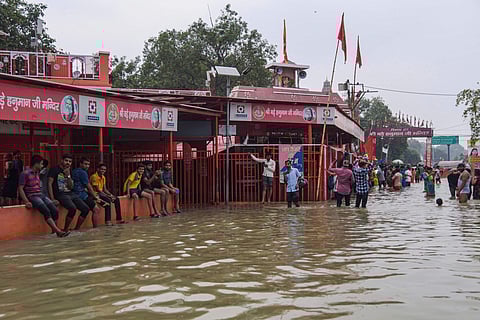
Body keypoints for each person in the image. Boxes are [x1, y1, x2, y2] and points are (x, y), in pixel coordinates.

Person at [18, 156, 69, 238]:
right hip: (32, 196)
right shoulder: (25, 173)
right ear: (36, 163)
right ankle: (58, 231)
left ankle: (54, 232)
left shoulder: (37, 173)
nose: (42, 166)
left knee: (55, 210)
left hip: (41, 195)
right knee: (46, 211)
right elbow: (20, 188)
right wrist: (26, 201)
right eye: (41, 164)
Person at [48, 154, 91, 232]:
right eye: (66, 160)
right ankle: (65, 229)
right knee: (72, 208)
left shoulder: (70, 171)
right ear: (62, 160)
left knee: (86, 209)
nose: (68, 163)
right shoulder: (54, 169)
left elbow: (71, 186)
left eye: (70, 161)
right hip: (60, 194)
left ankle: (77, 229)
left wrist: (68, 176)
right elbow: (49, 183)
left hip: (70, 193)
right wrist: (52, 198)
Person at [72, 158, 101, 230]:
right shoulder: (83, 172)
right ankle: (95, 229)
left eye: (88, 164)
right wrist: (95, 197)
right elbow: (88, 186)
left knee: (85, 210)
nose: (87, 166)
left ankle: (77, 228)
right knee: (96, 209)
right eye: (85, 164)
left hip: (76, 193)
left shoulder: (74, 171)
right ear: (80, 164)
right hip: (81, 194)